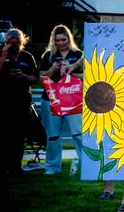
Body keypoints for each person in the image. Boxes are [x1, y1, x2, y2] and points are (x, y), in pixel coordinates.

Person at [38, 24, 84, 175]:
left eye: (63, 39)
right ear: (53, 40)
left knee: (78, 133)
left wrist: (70, 72)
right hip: (51, 99)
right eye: (57, 40)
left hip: (72, 99)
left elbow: (88, 77)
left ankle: (86, 166)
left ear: (68, 38)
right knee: (53, 135)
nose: (60, 43)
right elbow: (41, 77)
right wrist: (53, 69)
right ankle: (52, 167)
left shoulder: (78, 55)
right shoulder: (48, 55)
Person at [0, 29, 39, 177]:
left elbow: (35, 78)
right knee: (2, 135)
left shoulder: (27, 57)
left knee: (19, 135)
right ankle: (2, 167)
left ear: (22, 42)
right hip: (2, 101)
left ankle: (16, 166)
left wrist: (24, 77)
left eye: (17, 41)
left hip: (21, 101)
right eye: (10, 41)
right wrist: (3, 54)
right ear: (6, 41)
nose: (13, 44)